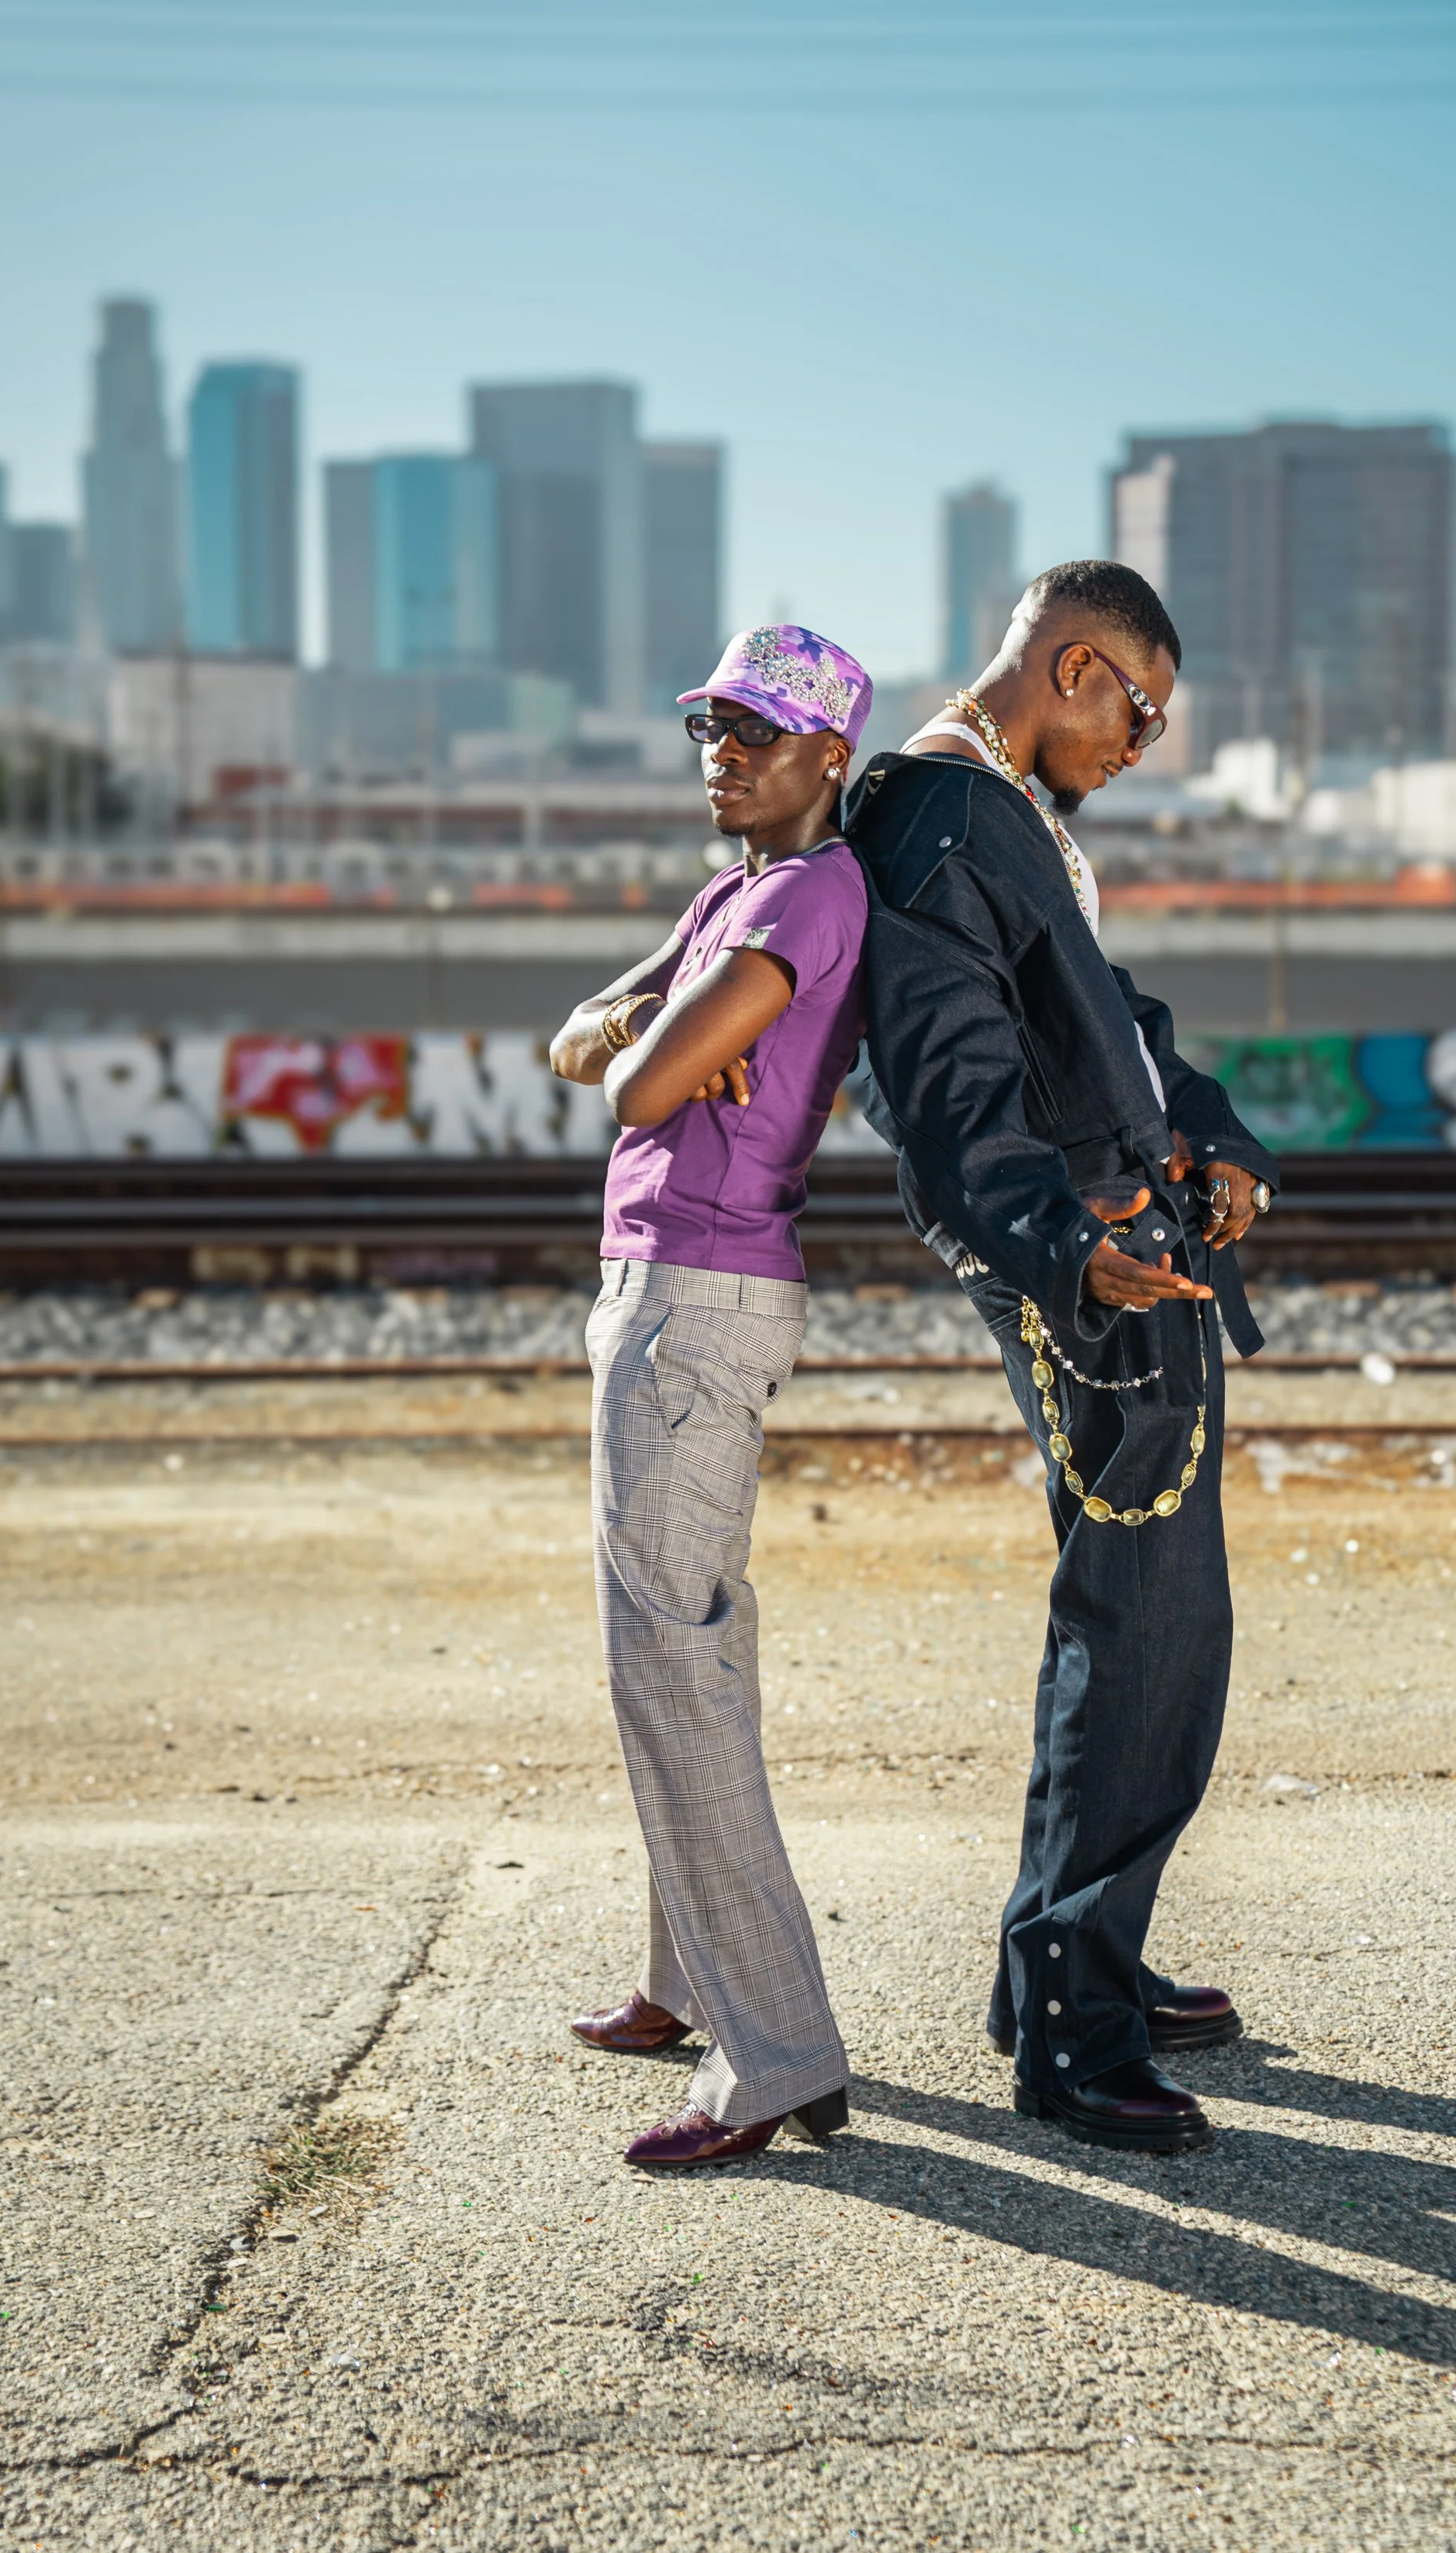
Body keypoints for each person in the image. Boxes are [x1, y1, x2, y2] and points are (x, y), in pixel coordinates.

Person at [844, 560, 1278, 2157]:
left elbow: (1119, 1025)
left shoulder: (1009, 820)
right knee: (1142, 1630)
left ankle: (1076, 1969)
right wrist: (1062, 1248)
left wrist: (1216, 1137)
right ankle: (1070, 2029)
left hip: (1127, 1252)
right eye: (1143, 714)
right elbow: (938, 1088)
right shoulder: (941, 822)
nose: (1144, 747)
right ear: (1078, 668)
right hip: (1092, 1276)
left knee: (1155, 1627)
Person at [549, 623, 873, 2175]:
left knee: (667, 1664)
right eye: (708, 729)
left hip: (696, 1300)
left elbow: (629, 1090)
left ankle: (778, 2058)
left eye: (754, 733)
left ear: (831, 757)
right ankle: (685, 1988)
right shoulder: (725, 898)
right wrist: (656, 1028)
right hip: (668, 1293)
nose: (720, 755)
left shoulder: (808, 891)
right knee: (685, 1647)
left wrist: (657, 1045)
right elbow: (585, 1045)